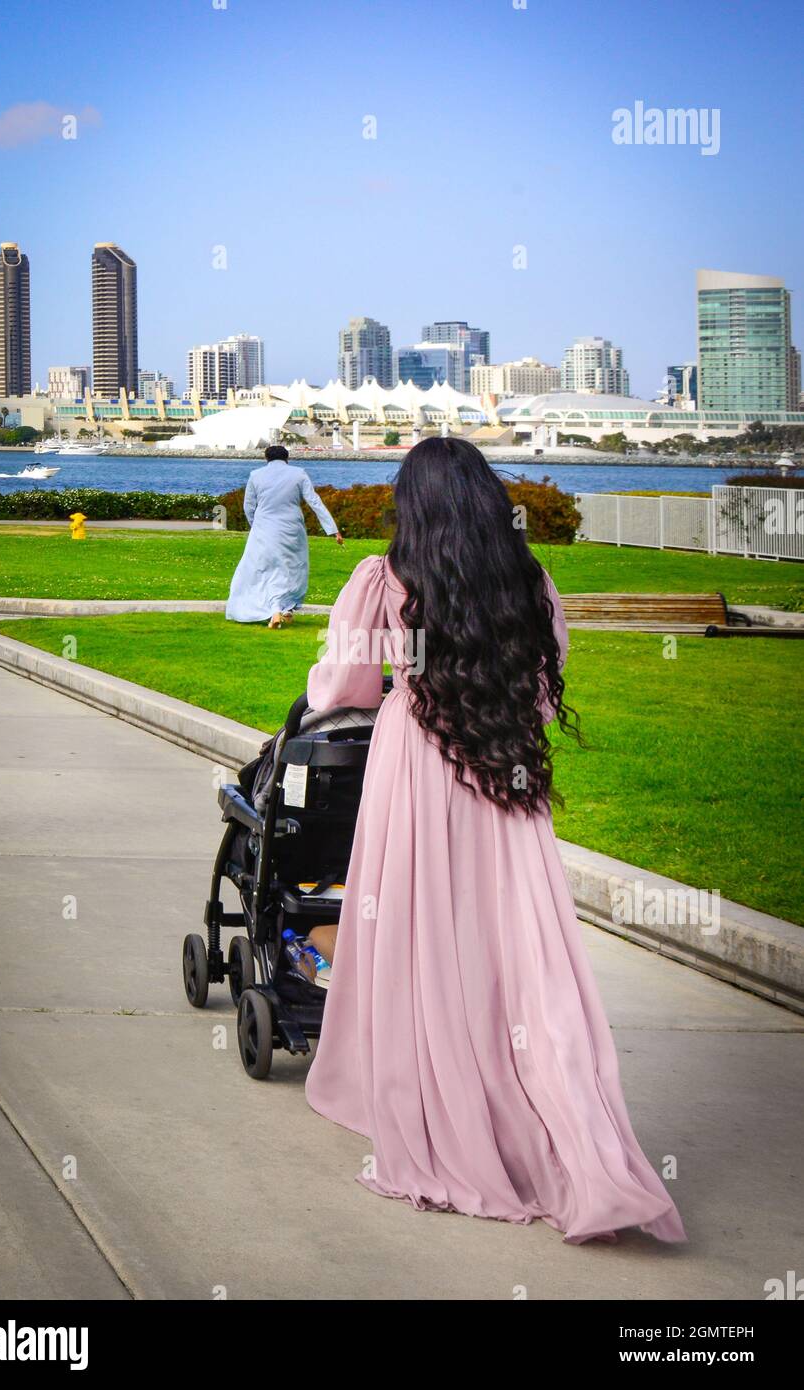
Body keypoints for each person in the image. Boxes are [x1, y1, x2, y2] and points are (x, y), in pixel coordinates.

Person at [303, 436, 686, 1246]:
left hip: (417, 770)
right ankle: (552, 1120)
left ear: (414, 505)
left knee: (421, 941)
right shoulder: (529, 580)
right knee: (514, 951)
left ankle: (440, 1100)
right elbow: (543, 694)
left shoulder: (382, 579)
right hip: (504, 771)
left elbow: (343, 685)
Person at [226, 445, 343, 628]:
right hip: (292, 528)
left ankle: (276, 609)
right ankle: (283, 607)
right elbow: (314, 501)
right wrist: (332, 529)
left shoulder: (256, 475)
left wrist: (255, 524)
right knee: (292, 568)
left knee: (262, 569)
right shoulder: (298, 473)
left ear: (266, 458)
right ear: (287, 458)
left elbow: (249, 506)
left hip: (264, 527)